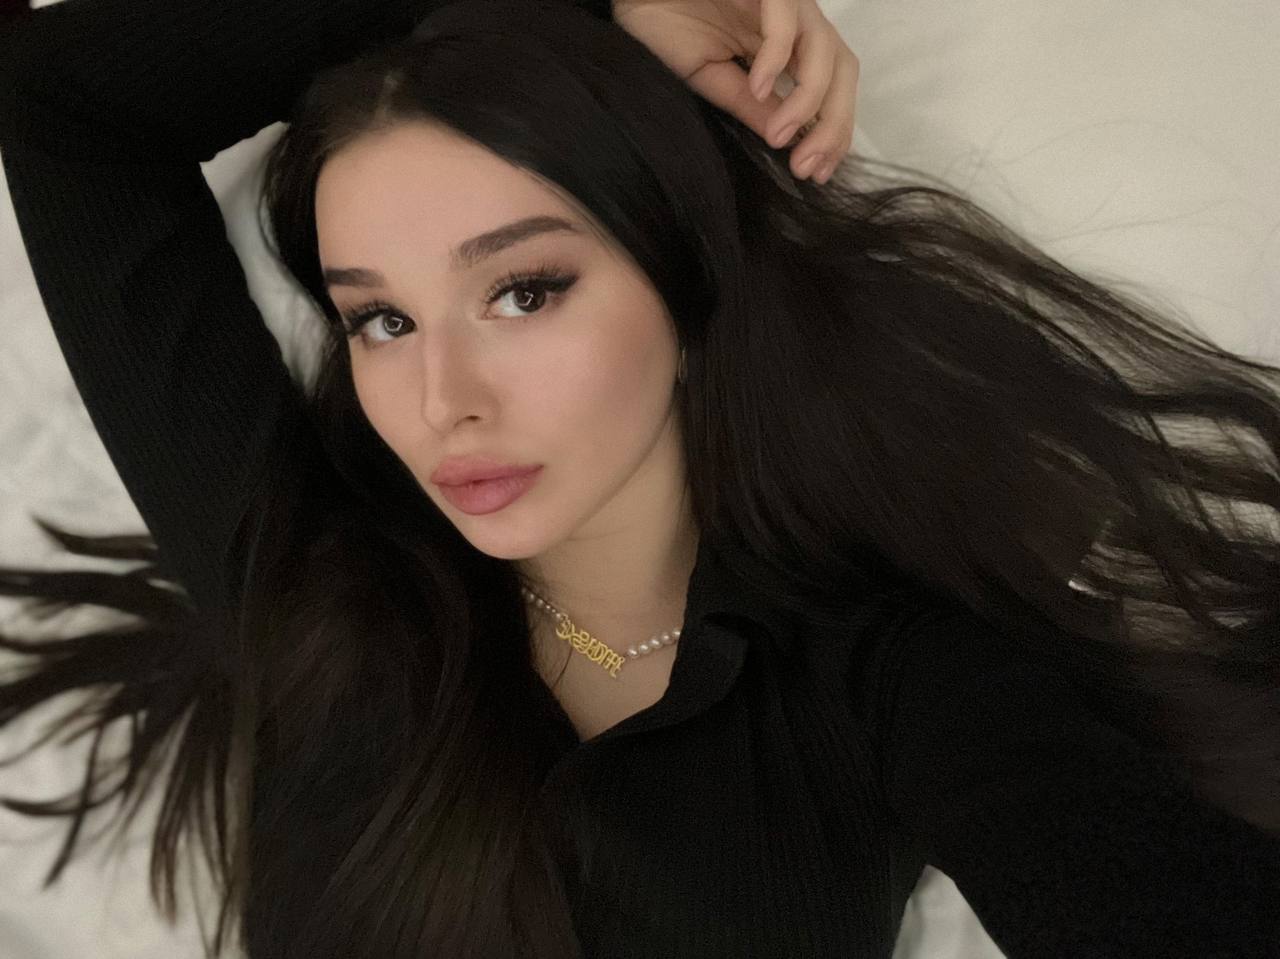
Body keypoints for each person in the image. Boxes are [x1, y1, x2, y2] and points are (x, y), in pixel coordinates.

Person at [1, 1, 1278, 958]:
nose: (443, 399)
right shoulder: (313, 581)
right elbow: (58, 103)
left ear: (686, 277)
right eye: (380, 320)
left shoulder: (886, 674)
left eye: (521, 291)